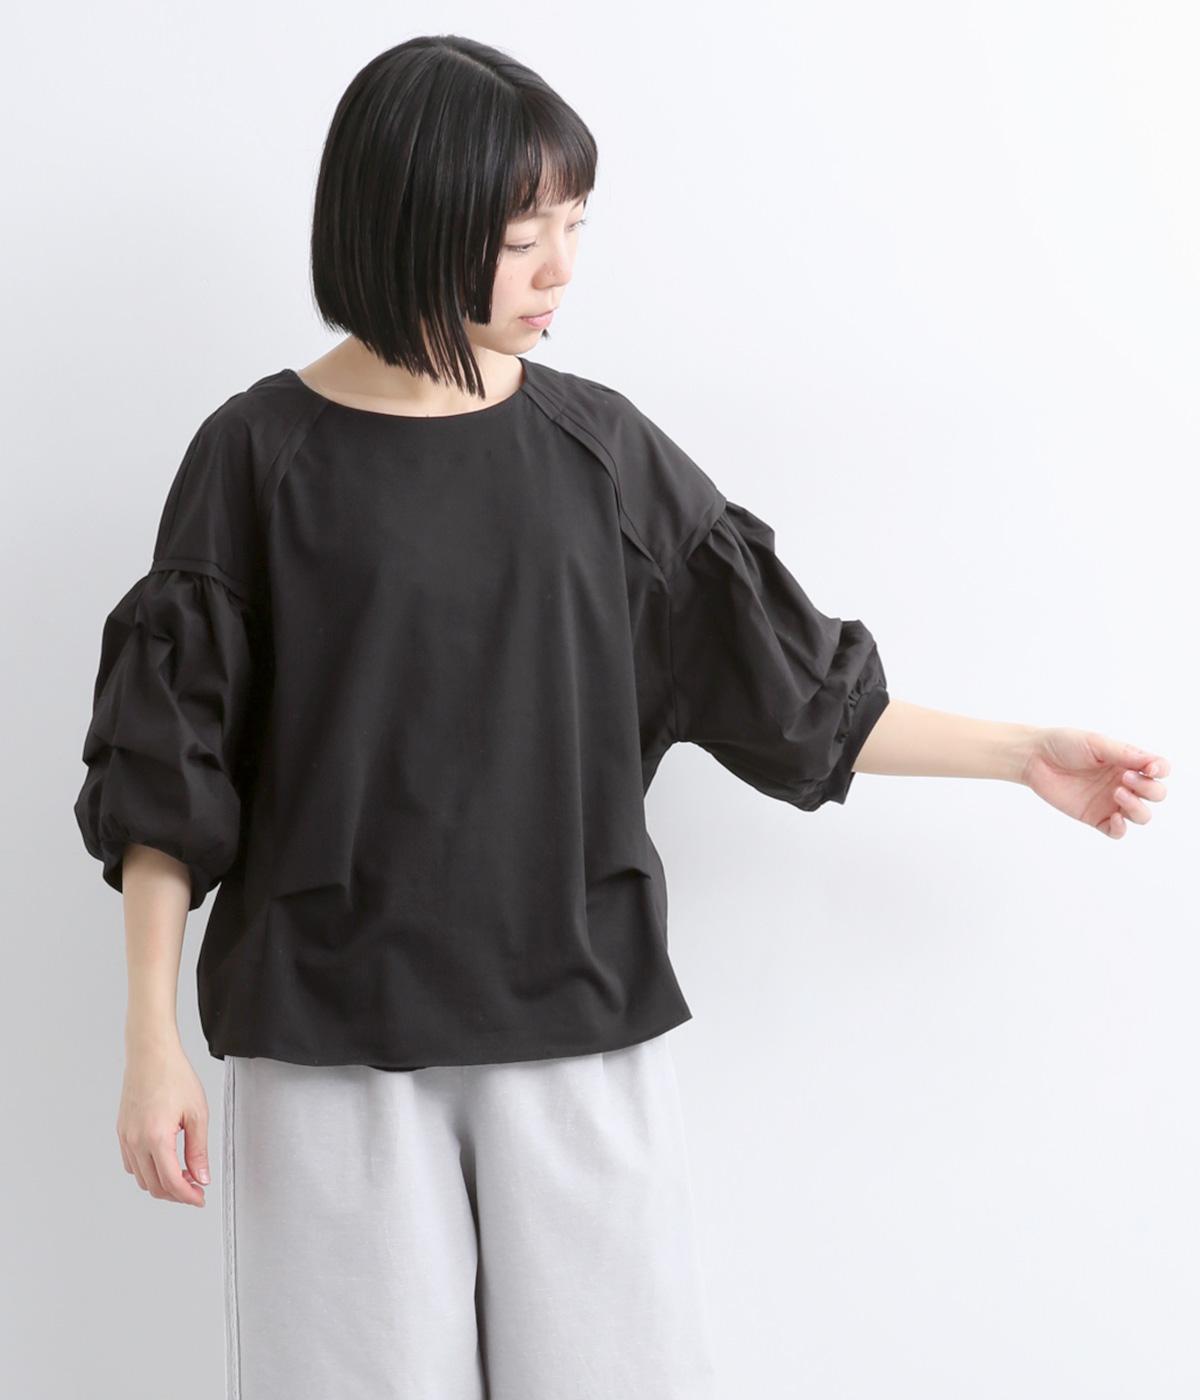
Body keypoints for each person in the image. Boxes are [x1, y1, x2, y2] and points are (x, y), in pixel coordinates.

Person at [72, 33, 1170, 1400]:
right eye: (520, 237)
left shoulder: (600, 453)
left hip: (578, 1036)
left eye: (575, 227)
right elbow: (169, 766)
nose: (560, 272)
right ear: (407, 224)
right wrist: (150, 1038)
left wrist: (1020, 756)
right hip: (327, 1049)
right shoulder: (256, 456)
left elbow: (792, 690)